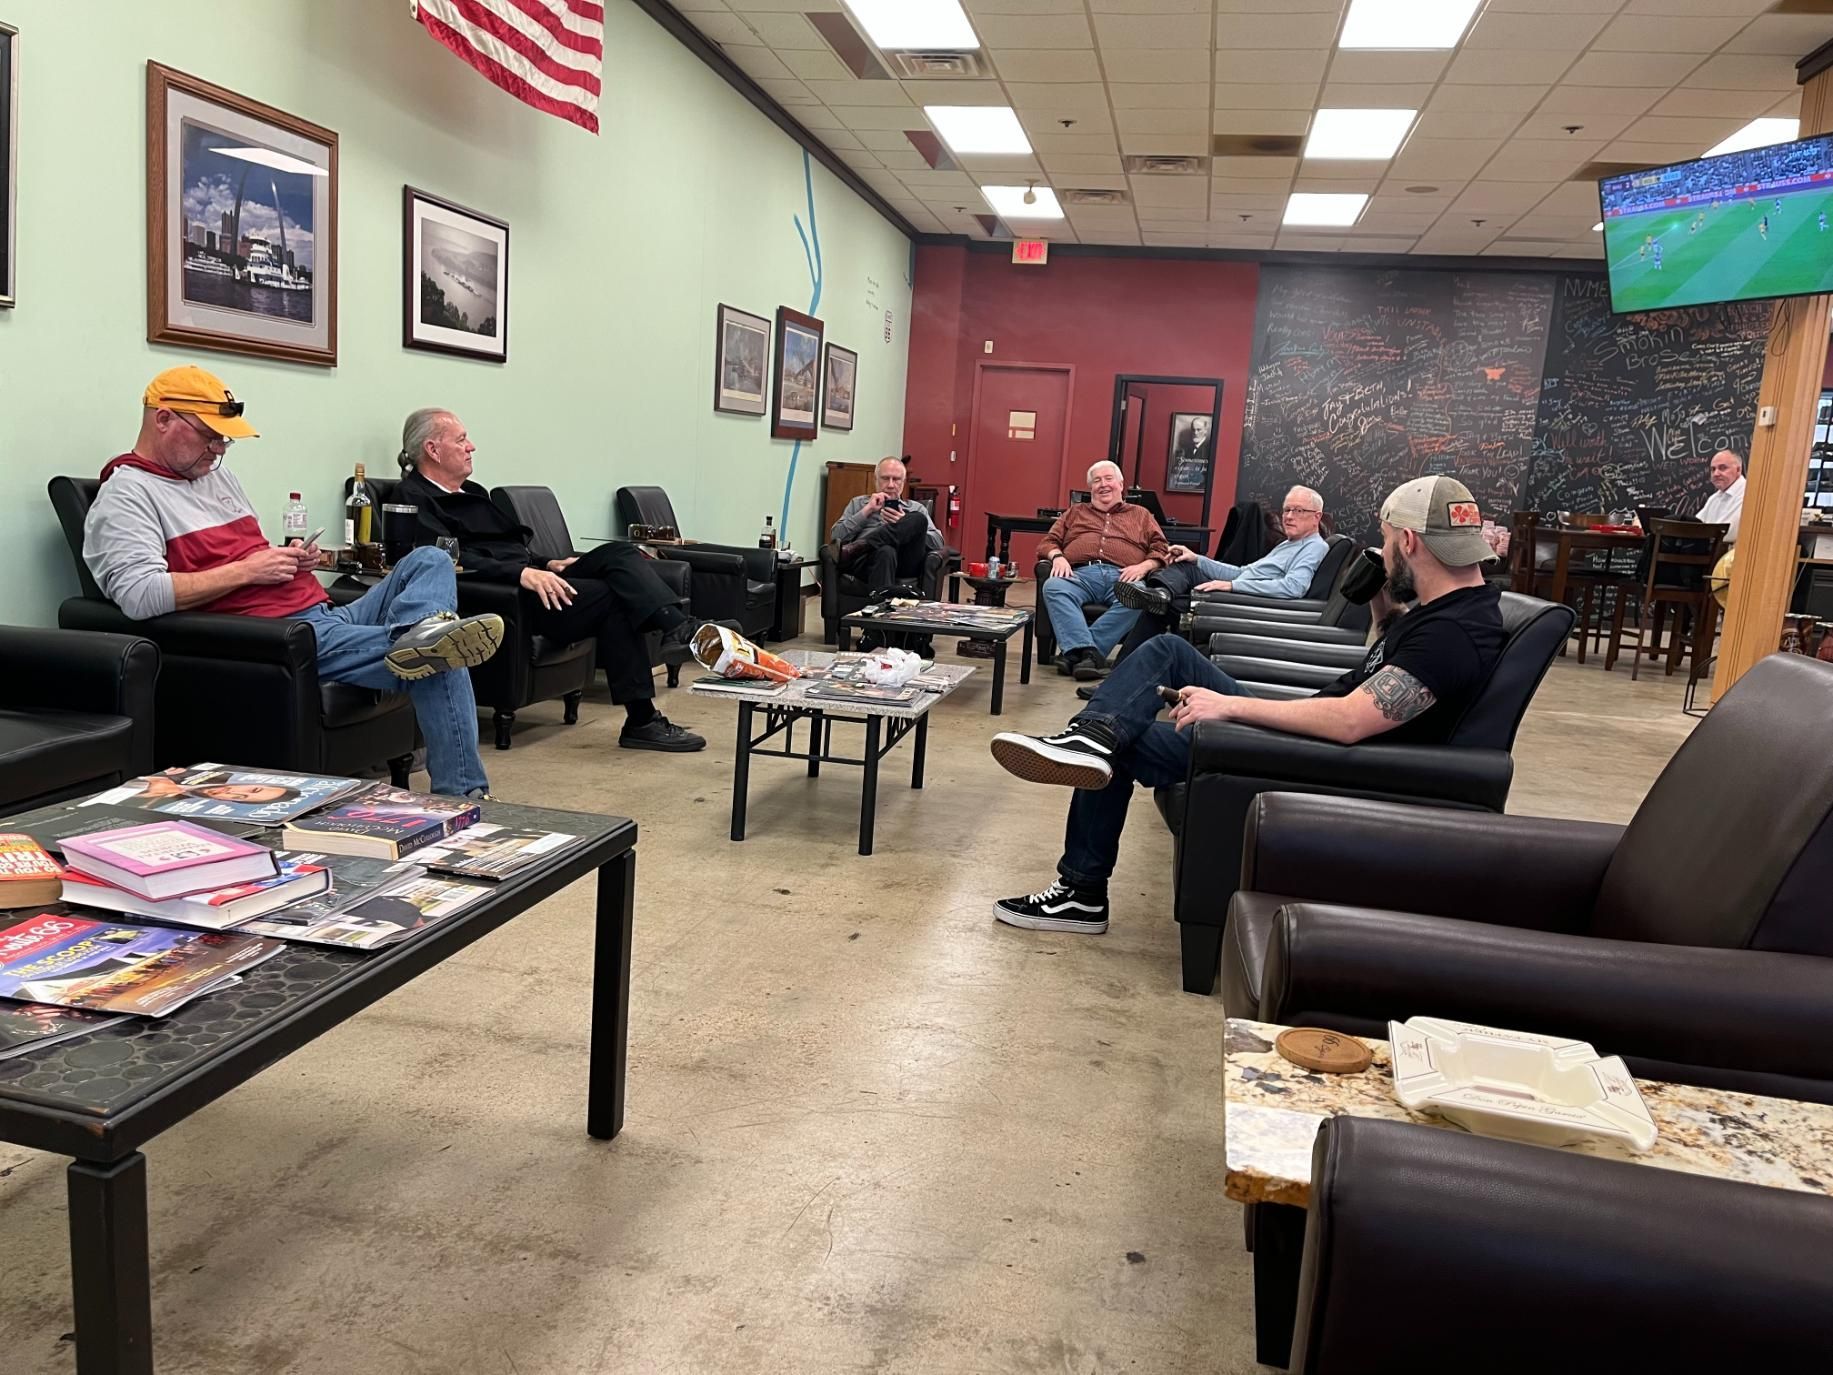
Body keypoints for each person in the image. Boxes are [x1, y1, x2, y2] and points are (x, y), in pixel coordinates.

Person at [987, 475, 1506, 934]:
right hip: (1312, 732)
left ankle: (1081, 881)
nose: (1384, 551)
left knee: (1137, 714)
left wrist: (1231, 707)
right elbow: (1385, 667)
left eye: (1389, 542)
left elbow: (1351, 720)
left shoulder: (1451, 635)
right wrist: (1381, 596)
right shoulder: (1453, 609)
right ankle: (1092, 741)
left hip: (1319, 759)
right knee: (1151, 682)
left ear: (1410, 540)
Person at [83, 366, 504, 799]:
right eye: (209, 435)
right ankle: (463, 795)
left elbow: (244, 557)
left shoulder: (216, 476)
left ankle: (420, 635)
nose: (217, 449)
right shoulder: (127, 494)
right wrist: (251, 570)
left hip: (321, 613)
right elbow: (138, 596)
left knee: (429, 559)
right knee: (444, 655)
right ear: (163, 419)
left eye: (224, 439)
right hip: (281, 636)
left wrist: (290, 562)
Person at [395, 408, 707, 752]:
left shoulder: (474, 491)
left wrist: (546, 563)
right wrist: (523, 573)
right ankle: (645, 711)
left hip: (535, 577)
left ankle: (676, 629)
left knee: (619, 555)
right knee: (615, 598)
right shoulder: (412, 499)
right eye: (461, 439)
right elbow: (443, 559)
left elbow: (513, 547)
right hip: (509, 594)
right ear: (432, 450)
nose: (472, 447)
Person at [1037, 460, 1171, 682]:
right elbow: (1047, 542)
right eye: (1097, 481)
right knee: (1053, 586)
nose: (1103, 484)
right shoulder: (1075, 512)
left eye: (1108, 478)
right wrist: (1057, 557)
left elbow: (1161, 548)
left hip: (1124, 575)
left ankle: (1077, 652)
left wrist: (1144, 566)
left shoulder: (1141, 514)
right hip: (1079, 575)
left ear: (1120, 484)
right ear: (1091, 488)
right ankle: (1089, 654)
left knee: (1139, 597)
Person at [1114, 485, 1328, 620]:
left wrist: (1233, 586)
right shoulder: (1288, 544)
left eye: (1298, 510)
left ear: (1316, 517)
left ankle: (1158, 593)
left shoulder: (1314, 546)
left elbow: (1293, 588)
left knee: (1163, 607)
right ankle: (1158, 593)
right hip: (1239, 589)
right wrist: (1197, 558)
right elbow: (1240, 572)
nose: (1289, 516)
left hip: (1248, 603)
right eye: (1287, 510)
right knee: (1185, 563)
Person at [829, 456, 943, 590]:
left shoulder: (915, 508)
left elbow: (938, 542)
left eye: (896, 479)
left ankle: (863, 545)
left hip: (905, 562)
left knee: (918, 519)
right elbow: (836, 536)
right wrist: (866, 511)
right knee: (886, 550)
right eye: (885, 478)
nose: (890, 485)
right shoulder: (859, 503)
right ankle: (882, 605)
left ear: (903, 482)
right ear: (876, 480)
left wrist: (903, 522)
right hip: (868, 562)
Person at [1697, 449, 1745, 546]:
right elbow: (1695, 526)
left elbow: (1725, 533)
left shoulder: (1747, 493)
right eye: (1713, 469)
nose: (1716, 474)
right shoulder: (1714, 499)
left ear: (1738, 470)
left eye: (1723, 468)